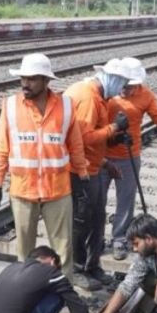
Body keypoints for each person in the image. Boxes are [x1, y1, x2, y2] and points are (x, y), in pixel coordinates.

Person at [0, 53, 89, 276]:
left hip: (59, 190)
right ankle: (27, 297)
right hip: (23, 190)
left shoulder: (66, 106)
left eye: (32, 79)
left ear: (46, 81)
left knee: (63, 250)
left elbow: (75, 145)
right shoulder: (11, 106)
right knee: (25, 253)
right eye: (23, 78)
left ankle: (63, 298)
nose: (25, 83)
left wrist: (82, 176)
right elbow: (1, 146)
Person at [63, 58, 131, 290]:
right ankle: (77, 268)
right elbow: (81, 139)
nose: (122, 88)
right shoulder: (89, 98)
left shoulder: (99, 97)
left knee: (96, 219)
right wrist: (113, 129)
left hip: (91, 166)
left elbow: (89, 140)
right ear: (111, 78)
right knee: (81, 221)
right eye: (121, 82)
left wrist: (105, 158)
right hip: (77, 171)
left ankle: (92, 265)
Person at [102, 57, 157, 261]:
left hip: (129, 157)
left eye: (132, 86)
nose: (127, 90)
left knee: (125, 201)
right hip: (102, 156)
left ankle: (119, 239)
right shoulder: (109, 93)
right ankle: (96, 238)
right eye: (124, 85)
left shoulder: (146, 96)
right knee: (98, 200)